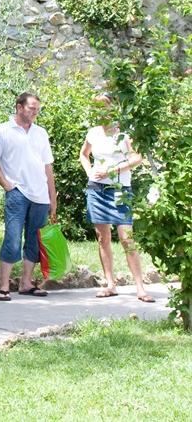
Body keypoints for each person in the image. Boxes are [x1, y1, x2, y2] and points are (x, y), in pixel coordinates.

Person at [79, 94, 153, 302]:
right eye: (96, 108)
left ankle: (140, 287)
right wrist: (89, 172)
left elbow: (137, 157)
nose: (100, 112)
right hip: (96, 189)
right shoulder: (93, 132)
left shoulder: (124, 132)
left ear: (112, 108)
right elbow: (83, 154)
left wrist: (113, 170)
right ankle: (110, 283)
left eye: (104, 107)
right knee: (103, 238)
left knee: (127, 238)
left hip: (120, 189)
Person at [0, 92, 58, 301]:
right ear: (19, 107)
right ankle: (4, 285)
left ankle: (26, 283)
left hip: (40, 195)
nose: (35, 112)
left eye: (37, 109)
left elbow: (48, 166)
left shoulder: (41, 133)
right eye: (31, 108)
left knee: (35, 241)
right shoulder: (2, 131)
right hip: (17, 193)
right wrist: (7, 186)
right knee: (13, 238)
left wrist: (52, 198)